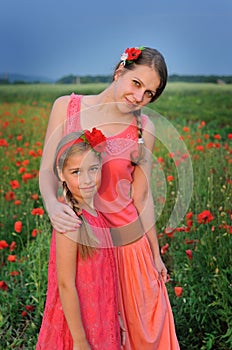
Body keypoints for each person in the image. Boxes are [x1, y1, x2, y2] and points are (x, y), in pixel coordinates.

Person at [39, 46, 180, 349]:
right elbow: (48, 169)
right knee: (85, 330)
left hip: (129, 246)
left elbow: (142, 197)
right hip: (84, 245)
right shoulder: (67, 107)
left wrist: (155, 255)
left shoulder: (144, 127)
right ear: (120, 72)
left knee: (142, 332)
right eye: (136, 83)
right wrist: (52, 205)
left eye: (150, 94)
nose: (140, 97)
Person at [36, 129, 122, 350]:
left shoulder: (99, 215)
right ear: (61, 174)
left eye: (93, 169)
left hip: (101, 313)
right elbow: (65, 285)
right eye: (76, 172)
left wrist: (116, 315)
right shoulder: (71, 222)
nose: (86, 180)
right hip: (79, 324)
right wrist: (80, 340)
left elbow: (108, 274)